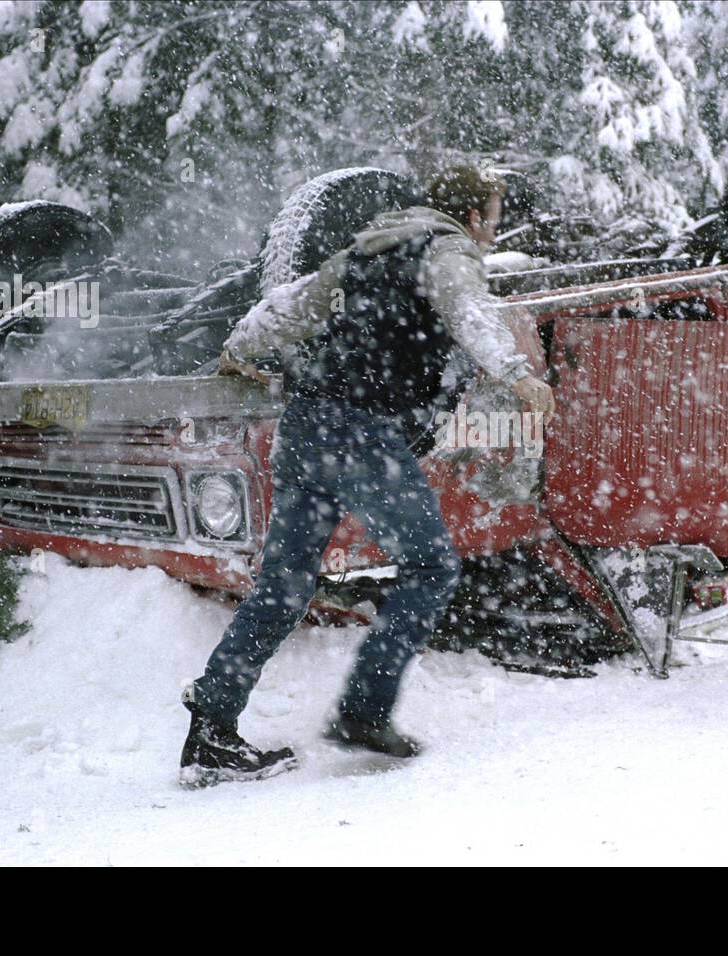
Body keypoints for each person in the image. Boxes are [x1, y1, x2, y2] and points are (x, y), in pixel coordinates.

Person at [179, 165, 556, 787]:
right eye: (491, 214)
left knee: (285, 586)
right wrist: (517, 373)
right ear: (471, 215)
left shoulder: (364, 249)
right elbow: (470, 310)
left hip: (306, 426)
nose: (493, 229)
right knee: (432, 565)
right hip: (359, 431)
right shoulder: (445, 247)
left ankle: (212, 727)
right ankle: (364, 710)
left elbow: (287, 308)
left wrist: (241, 349)